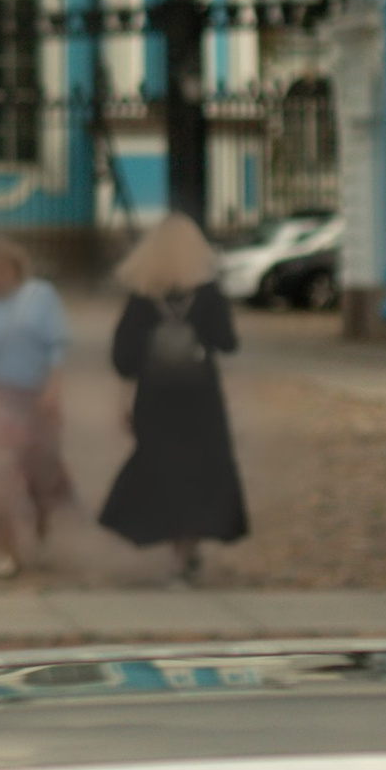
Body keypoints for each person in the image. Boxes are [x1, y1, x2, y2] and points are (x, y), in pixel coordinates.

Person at [100, 210, 247, 581]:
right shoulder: (209, 295)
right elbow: (227, 342)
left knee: (165, 473)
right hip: (200, 398)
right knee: (201, 471)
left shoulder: (142, 298)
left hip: (156, 399)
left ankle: (178, 552)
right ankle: (189, 548)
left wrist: (123, 400)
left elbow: (123, 357)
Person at [0, 236, 72, 571]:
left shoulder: (40, 297)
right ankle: (6, 551)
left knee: (41, 475)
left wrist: (53, 387)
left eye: (4, 270)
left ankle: (42, 532)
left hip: (36, 398)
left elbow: (56, 346)